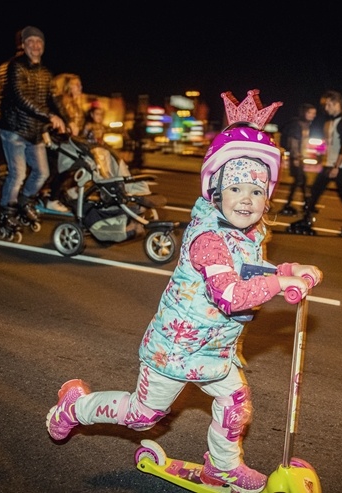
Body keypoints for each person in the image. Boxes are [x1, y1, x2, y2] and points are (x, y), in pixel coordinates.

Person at [45, 89, 323, 493]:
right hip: (174, 350)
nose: (246, 200)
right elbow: (230, 294)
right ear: (216, 191)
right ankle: (76, 406)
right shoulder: (207, 238)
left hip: (214, 349)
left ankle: (223, 469)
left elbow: (251, 271)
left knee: (235, 404)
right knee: (143, 416)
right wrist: (280, 284)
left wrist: (288, 269)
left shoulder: (248, 233)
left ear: (268, 197)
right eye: (237, 188)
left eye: (257, 191)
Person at [0, 25, 65, 236]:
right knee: (17, 174)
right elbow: (21, 97)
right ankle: (7, 213)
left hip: (35, 132)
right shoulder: (15, 66)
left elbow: (52, 99)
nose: (35, 46)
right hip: (14, 129)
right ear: (23, 45)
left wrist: (65, 119)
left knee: (42, 172)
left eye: (39, 42)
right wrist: (50, 116)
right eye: (30, 42)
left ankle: (24, 202)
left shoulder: (46, 73)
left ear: (43, 46)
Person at [287, 90, 342, 238]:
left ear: (336, 104)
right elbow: (331, 145)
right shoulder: (330, 121)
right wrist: (324, 159)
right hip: (330, 164)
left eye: (328, 104)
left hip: (339, 166)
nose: (325, 108)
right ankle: (307, 219)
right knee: (316, 191)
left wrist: (336, 166)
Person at [43, 72, 85, 212]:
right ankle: (50, 199)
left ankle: (54, 196)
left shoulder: (75, 104)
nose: (80, 87)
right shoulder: (60, 100)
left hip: (66, 143)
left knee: (64, 170)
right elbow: (58, 114)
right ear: (67, 86)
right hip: (55, 141)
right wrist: (69, 123)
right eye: (76, 85)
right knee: (54, 171)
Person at [278, 103, 316, 216]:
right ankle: (290, 204)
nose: (313, 115)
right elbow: (293, 141)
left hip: (299, 157)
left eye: (314, 113)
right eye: (310, 113)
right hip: (296, 157)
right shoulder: (297, 125)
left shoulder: (305, 124)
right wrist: (295, 157)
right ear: (304, 113)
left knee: (302, 180)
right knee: (300, 180)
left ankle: (306, 204)